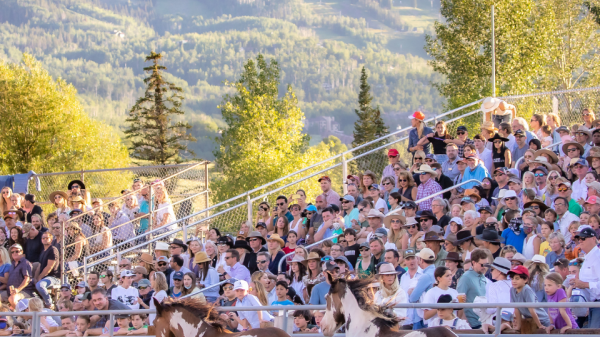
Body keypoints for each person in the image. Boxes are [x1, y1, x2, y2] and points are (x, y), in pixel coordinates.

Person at [509, 265, 552, 332]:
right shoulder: (512, 290)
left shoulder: (527, 290)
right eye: (512, 279)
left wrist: (540, 325)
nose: (514, 281)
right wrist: (518, 326)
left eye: (517, 279)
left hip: (542, 320)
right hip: (530, 321)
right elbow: (516, 309)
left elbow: (532, 310)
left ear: (525, 280)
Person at [457, 249, 489, 329]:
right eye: (482, 265)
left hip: (484, 321)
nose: (484, 267)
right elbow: (459, 300)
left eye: (486, 264)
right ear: (474, 262)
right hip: (472, 324)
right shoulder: (465, 278)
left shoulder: (483, 277)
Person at [408, 248, 437, 329]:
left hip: (424, 317)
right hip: (434, 315)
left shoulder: (425, 276)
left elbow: (412, 298)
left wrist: (412, 291)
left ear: (421, 260)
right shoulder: (437, 272)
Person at [34, 231, 60, 308]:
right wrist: (36, 277)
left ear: (51, 239)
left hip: (53, 277)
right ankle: (38, 303)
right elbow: (40, 266)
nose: (44, 239)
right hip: (44, 277)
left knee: (40, 285)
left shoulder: (53, 249)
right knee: (31, 282)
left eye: (47, 238)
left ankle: (49, 303)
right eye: (43, 238)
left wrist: (40, 277)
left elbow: (50, 266)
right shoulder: (43, 251)